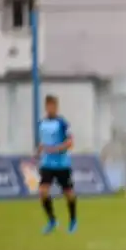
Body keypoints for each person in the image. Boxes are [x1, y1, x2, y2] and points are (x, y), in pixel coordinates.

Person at [36, 94, 78, 234]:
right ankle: (52, 220)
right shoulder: (42, 123)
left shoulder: (62, 123)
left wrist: (58, 148)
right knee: (43, 191)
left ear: (56, 107)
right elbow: (43, 142)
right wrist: (39, 150)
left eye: (52, 106)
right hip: (47, 164)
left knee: (68, 193)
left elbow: (70, 141)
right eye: (48, 106)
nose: (50, 108)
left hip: (62, 164)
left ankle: (73, 220)